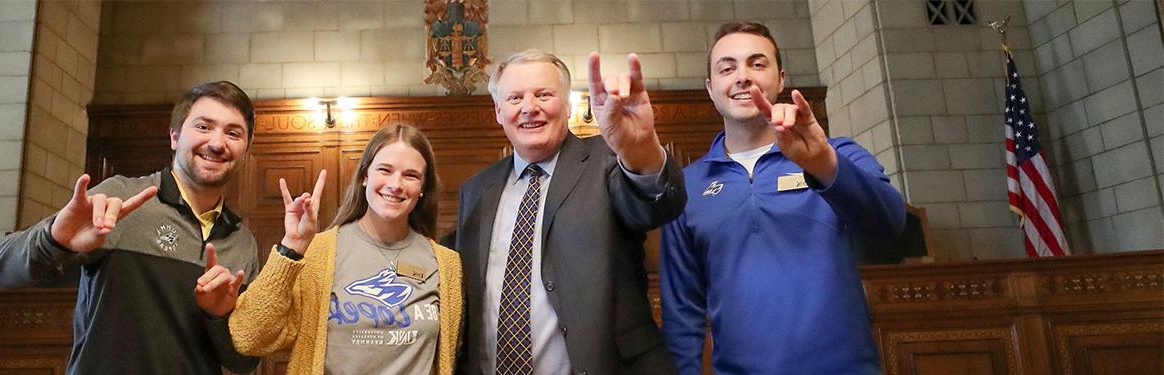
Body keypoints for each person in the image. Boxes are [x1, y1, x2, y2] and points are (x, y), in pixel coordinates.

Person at [659, 21, 906, 374]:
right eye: (727, 68)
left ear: (781, 79)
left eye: (757, 64)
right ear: (711, 89)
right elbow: (682, 314)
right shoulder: (686, 186)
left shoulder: (838, 154)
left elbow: (891, 227)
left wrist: (824, 166)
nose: (742, 76)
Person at [0, 81, 262, 374]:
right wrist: (55, 240)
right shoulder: (119, 197)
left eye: (233, 133)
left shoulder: (242, 243)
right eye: (204, 127)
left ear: (245, 149)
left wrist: (217, 318)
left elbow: (243, 361)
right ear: (175, 137)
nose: (217, 143)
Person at [451, 49, 686, 374]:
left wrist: (641, 149)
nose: (529, 107)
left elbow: (656, 204)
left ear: (568, 104)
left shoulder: (609, 162)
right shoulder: (477, 190)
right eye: (515, 97)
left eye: (543, 94)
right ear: (499, 111)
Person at [229, 123, 464, 374]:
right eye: (385, 170)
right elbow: (248, 336)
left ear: (422, 189)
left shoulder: (446, 264)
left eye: (411, 175)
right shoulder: (317, 252)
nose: (396, 184)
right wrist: (291, 248)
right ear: (365, 176)